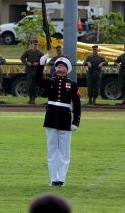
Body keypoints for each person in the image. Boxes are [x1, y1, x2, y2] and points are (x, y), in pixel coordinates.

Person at [36, 55, 81, 186]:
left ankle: (61, 179)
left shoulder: (72, 84)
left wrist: (75, 122)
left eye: (62, 66)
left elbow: (77, 104)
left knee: (64, 151)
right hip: (51, 118)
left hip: (65, 119)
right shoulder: (50, 81)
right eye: (57, 66)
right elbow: (37, 80)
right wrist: (41, 64)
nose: (59, 67)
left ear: (67, 69)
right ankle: (53, 178)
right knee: (51, 151)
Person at [20, 40, 44, 104]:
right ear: (31, 45)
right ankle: (30, 98)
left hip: (36, 71)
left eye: (36, 45)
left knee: (36, 86)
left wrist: (38, 63)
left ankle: (33, 99)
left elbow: (44, 60)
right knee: (29, 85)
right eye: (34, 44)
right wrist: (26, 62)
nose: (35, 46)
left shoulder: (40, 53)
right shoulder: (28, 51)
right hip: (29, 71)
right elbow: (22, 58)